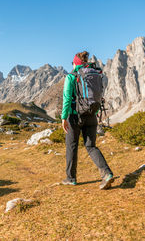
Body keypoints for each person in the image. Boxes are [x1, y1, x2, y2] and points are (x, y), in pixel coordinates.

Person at [61, 51, 114, 189]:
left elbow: (67, 99)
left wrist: (63, 118)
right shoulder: (94, 74)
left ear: (75, 63)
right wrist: (94, 112)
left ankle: (71, 178)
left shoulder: (71, 77)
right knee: (91, 146)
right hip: (91, 115)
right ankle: (106, 173)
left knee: (72, 146)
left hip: (75, 116)